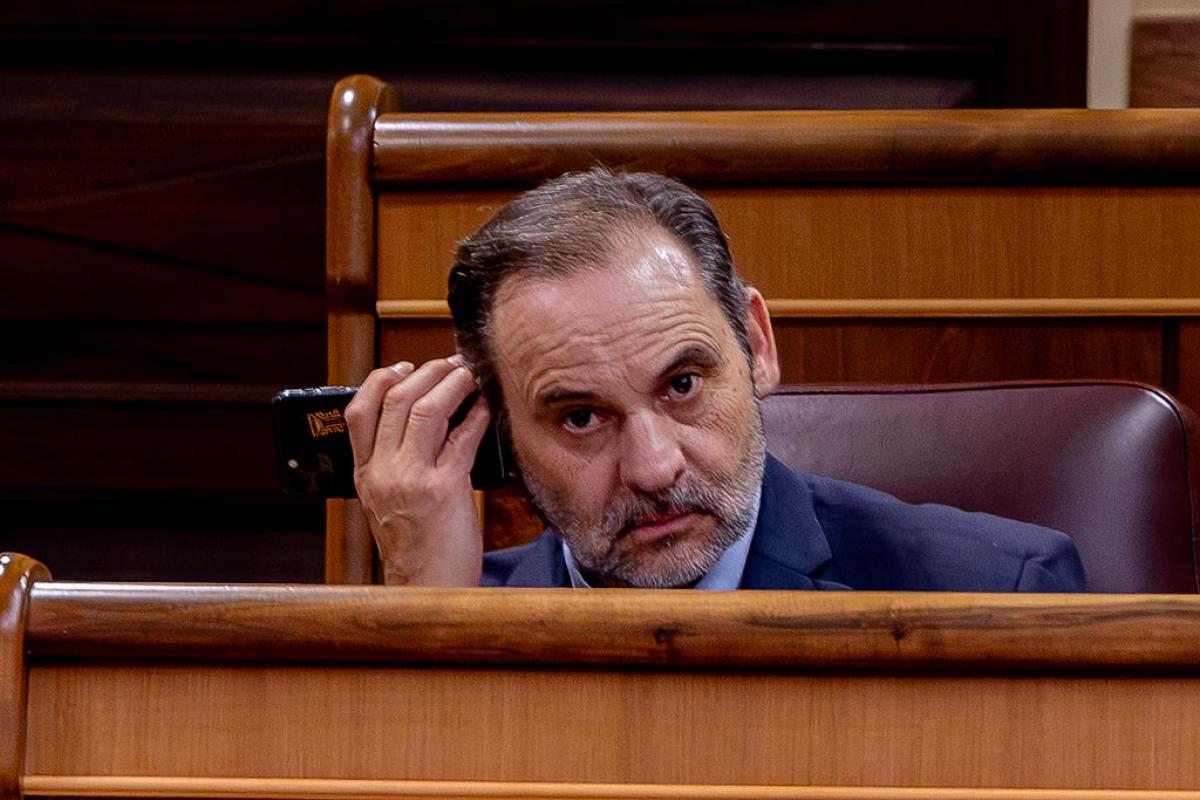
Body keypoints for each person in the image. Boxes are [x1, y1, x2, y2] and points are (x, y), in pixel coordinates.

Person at [345, 168, 1086, 591]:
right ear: (497, 430)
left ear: (756, 344)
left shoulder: (996, 591)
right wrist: (430, 611)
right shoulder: (458, 609)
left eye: (683, 385)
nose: (654, 466)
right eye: (580, 418)